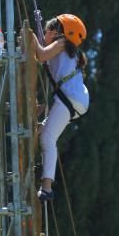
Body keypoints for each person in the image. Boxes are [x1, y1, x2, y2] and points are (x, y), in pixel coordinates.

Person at [32, 14, 89, 202]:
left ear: (57, 32)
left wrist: (29, 35)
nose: (45, 34)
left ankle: (47, 188)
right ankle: (45, 183)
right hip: (74, 100)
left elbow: (40, 54)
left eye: (48, 30)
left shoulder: (62, 43)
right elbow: (43, 56)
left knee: (48, 138)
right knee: (41, 132)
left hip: (69, 100)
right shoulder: (69, 51)